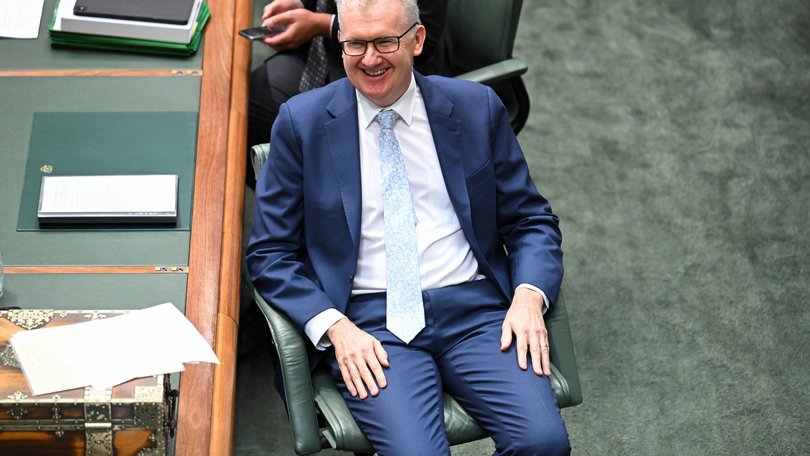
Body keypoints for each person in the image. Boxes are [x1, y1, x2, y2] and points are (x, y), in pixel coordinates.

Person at [246, 0, 570, 454]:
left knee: (544, 443)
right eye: (355, 43)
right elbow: (269, 254)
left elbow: (530, 219)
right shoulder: (301, 122)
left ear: (417, 41)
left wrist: (529, 295)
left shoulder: (476, 107)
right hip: (370, 322)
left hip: (476, 312)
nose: (370, 58)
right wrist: (335, 327)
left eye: (384, 41)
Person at [246, 0, 451, 186]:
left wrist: (323, 23)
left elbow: (427, 34)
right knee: (242, 110)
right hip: (324, 52)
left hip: (390, 72)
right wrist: (303, 4)